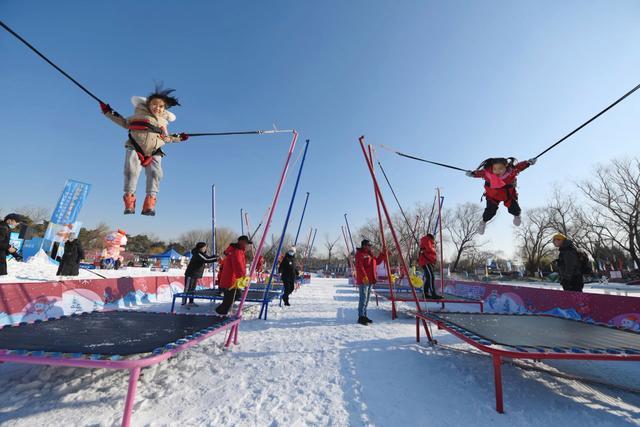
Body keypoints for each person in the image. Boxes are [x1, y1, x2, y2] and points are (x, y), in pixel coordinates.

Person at [100, 86, 188, 216]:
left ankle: (150, 201)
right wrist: (108, 111)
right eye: (154, 105)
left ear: (164, 109)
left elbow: (167, 138)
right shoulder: (137, 116)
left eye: (161, 106)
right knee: (131, 171)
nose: (157, 108)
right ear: (148, 105)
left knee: (156, 174)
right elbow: (123, 122)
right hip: (135, 147)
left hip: (154, 151)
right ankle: (129, 198)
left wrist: (180, 137)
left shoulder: (163, 124)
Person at [466, 157, 536, 235]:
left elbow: (519, 167)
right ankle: (483, 222)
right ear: (491, 168)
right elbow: (478, 173)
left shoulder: (511, 172)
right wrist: (472, 174)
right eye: (495, 169)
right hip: (493, 196)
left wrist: (528, 163)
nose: (497, 171)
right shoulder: (487, 173)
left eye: (501, 169)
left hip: (508, 195)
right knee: (490, 211)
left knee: (514, 207)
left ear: (506, 167)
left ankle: (517, 215)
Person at [215, 236, 251, 315]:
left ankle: (221, 312)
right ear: (243, 242)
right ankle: (220, 312)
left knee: (229, 298)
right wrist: (242, 277)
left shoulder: (235, 250)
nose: (248, 246)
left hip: (229, 278)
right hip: (231, 279)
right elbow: (238, 265)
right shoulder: (237, 251)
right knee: (234, 296)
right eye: (247, 243)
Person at [354, 239, 385, 326]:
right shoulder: (360, 254)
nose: (370, 247)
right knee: (363, 298)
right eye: (368, 245)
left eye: (370, 245)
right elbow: (360, 266)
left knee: (367, 299)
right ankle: (361, 316)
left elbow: (377, 262)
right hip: (364, 280)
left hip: (370, 280)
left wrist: (383, 254)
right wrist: (364, 276)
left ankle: (364, 315)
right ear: (364, 246)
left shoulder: (370, 254)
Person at [183, 242, 219, 307]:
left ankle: (191, 302)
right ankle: (184, 303)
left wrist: (214, 256)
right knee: (187, 289)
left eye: (206, 247)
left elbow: (207, 257)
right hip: (190, 274)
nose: (205, 248)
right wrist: (216, 259)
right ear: (200, 248)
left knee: (192, 289)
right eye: (204, 247)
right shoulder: (197, 254)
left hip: (195, 274)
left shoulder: (201, 253)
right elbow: (205, 260)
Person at [418, 234, 440, 299]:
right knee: (431, 277)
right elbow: (429, 249)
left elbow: (430, 251)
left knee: (429, 277)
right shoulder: (426, 240)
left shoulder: (430, 242)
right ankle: (433, 293)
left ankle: (426, 294)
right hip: (425, 261)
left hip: (428, 261)